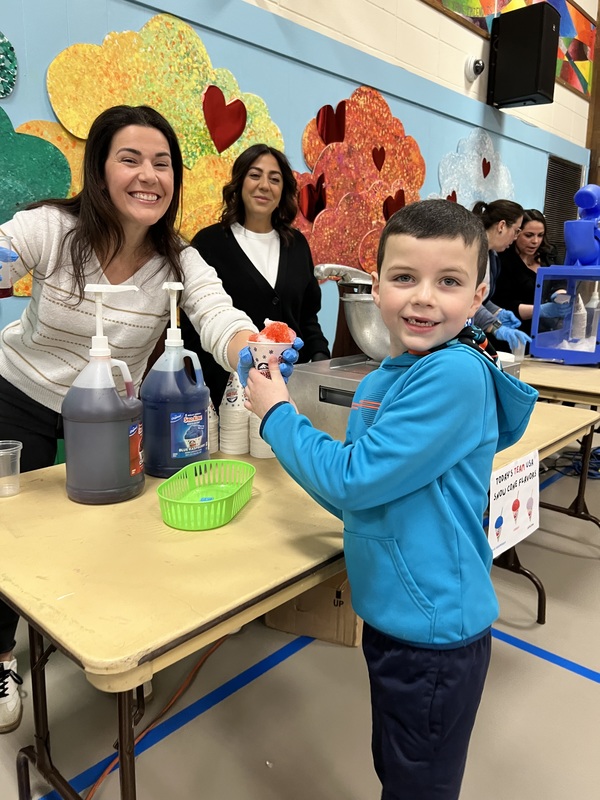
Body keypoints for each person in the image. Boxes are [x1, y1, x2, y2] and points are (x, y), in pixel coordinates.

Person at [0, 105, 300, 734]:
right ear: (100, 169)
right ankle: (2, 654)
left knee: (111, 529)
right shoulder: (52, 228)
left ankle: (106, 643)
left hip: (112, 414)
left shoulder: (178, 258)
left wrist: (252, 349)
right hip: (20, 395)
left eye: (162, 163)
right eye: (130, 159)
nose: (148, 176)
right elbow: (6, 252)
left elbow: (217, 314)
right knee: (7, 536)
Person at [243, 199, 538, 800]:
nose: (423, 298)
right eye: (404, 278)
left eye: (448, 282)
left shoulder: (452, 376)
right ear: (374, 288)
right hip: (395, 618)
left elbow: (354, 481)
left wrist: (277, 412)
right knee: (399, 768)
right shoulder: (389, 375)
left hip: (432, 632)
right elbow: (362, 498)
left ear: (479, 293)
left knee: (418, 783)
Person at [180, 143, 330, 410]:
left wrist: (320, 361)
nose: (264, 185)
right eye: (255, 175)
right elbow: (195, 327)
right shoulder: (209, 243)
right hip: (222, 397)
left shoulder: (296, 245)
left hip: (287, 390)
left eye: (275, 179)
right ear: (238, 183)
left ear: (283, 190)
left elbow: (308, 316)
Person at [491, 208, 568, 338]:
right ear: (516, 233)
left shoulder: (549, 255)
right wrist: (539, 310)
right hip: (515, 332)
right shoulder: (503, 260)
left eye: (540, 235)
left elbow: (560, 281)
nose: (535, 241)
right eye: (529, 235)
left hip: (547, 333)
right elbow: (502, 303)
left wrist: (560, 294)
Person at [471, 199, 531, 352]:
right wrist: (496, 326)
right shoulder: (471, 252)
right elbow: (467, 300)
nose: (516, 237)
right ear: (502, 226)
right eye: (516, 231)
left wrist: (498, 312)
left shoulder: (493, 256)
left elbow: (482, 298)